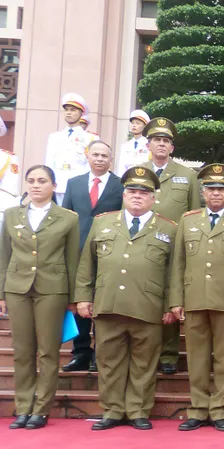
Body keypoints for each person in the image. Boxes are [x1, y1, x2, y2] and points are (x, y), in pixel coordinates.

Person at [74, 166, 179, 430]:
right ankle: (112, 410)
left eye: (144, 192)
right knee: (109, 361)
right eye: (132, 190)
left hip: (148, 306)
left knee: (144, 363)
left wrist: (170, 305)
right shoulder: (103, 222)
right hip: (108, 304)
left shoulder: (169, 228)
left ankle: (137, 410)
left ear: (153, 198)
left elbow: (174, 272)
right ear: (123, 194)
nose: (137, 196)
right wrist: (84, 297)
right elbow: (87, 263)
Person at [169, 164, 224, 432]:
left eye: (222, 189)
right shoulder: (188, 220)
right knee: (197, 358)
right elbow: (178, 264)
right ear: (203, 192)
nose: (216, 193)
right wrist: (176, 300)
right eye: (211, 189)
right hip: (194, 298)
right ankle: (198, 408)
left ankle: (219, 410)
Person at [0, 165, 80, 429]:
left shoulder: (68, 218)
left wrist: (73, 296)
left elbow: (72, 260)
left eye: (42, 181)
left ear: (53, 186)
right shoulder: (11, 215)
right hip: (17, 287)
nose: (36, 185)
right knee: (22, 350)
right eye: (31, 181)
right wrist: (1, 292)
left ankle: (41, 408)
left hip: (52, 288)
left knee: (48, 351)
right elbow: (4, 256)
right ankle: (23, 406)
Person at [140, 117, 200, 376]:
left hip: (175, 245)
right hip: (144, 245)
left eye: (166, 141)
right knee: (145, 295)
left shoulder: (187, 175)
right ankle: (147, 350)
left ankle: (168, 354)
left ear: (172, 148)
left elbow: (195, 211)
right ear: (148, 145)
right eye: (157, 140)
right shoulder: (138, 173)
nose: (161, 144)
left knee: (171, 296)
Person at [61, 140, 124, 373]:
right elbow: (66, 217)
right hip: (77, 253)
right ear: (87, 156)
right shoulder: (74, 183)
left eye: (104, 156)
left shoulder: (121, 185)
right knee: (79, 303)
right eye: (95, 154)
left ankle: (101, 353)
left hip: (108, 253)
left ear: (111, 159)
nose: (99, 159)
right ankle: (81, 352)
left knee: (104, 304)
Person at [45, 93, 99, 205]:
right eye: (67, 110)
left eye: (73, 110)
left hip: (79, 185)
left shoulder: (90, 138)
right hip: (58, 184)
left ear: (81, 113)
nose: (69, 113)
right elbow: (49, 163)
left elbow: (91, 165)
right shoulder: (55, 137)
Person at [116, 110, 150, 176]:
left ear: (145, 126)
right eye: (133, 123)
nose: (134, 126)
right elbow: (121, 167)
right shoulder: (125, 146)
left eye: (138, 123)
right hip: (128, 179)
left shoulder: (149, 145)